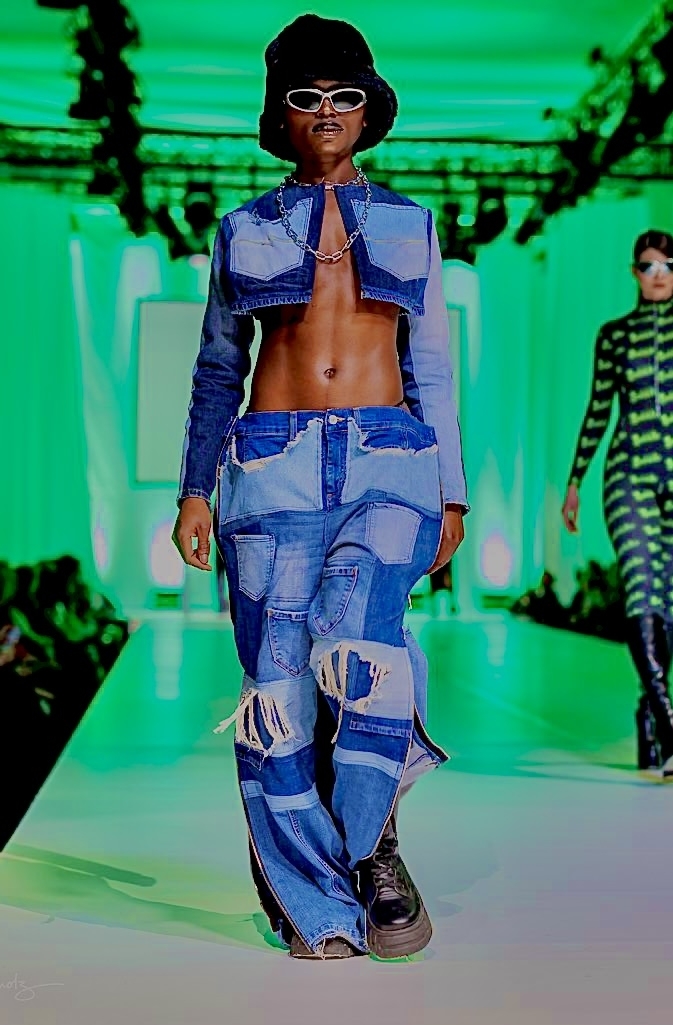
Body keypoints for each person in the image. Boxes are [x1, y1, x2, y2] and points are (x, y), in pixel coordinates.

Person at [172, 14, 468, 960]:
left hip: (387, 462)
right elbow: (217, 367)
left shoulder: (411, 224)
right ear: (281, 115)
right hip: (270, 466)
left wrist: (450, 490)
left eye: (345, 96)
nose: (327, 111)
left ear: (369, 111)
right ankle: (310, 890)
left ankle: (373, 846)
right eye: (307, 97)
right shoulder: (241, 229)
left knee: (362, 653)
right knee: (278, 685)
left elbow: (431, 365)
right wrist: (193, 489)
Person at [562, 229, 673, 779]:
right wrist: (575, 480)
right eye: (649, 266)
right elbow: (599, 408)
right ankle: (669, 724)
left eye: (668, 265)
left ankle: (647, 715)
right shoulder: (615, 335)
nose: (658, 275)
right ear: (634, 272)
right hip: (628, 475)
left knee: (667, 603)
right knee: (641, 589)